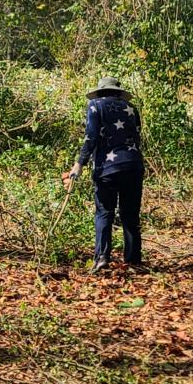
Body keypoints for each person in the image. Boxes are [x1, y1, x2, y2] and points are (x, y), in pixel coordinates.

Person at [62, 76, 144, 273]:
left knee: (104, 211)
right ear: (118, 92)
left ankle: (102, 258)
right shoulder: (132, 108)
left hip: (107, 168)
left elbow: (90, 137)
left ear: (100, 91)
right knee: (130, 215)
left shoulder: (95, 105)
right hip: (133, 165)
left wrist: (78, 164)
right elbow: (137, 136)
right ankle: (133, 262)